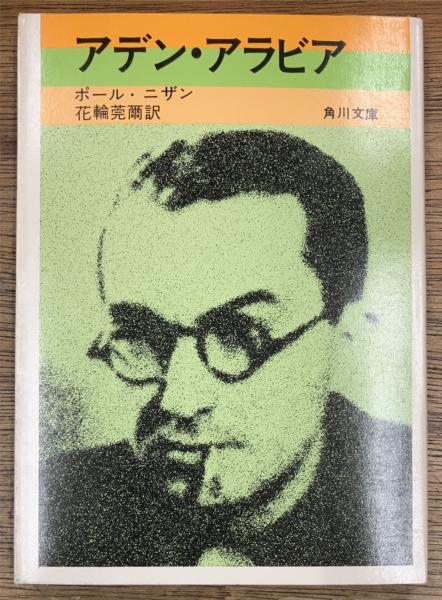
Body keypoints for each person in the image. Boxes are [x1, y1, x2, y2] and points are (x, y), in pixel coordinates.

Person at [40, 129, 412, 567]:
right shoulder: (60, 506)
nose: (179, 401)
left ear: (346, 337)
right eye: (142, 336)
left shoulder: (411, 495)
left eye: (238, 336)